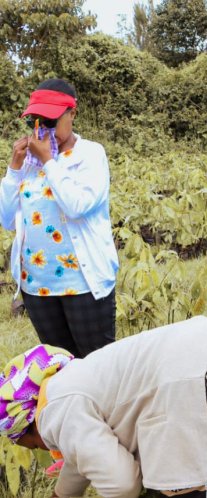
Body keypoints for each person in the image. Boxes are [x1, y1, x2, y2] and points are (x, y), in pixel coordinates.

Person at [0, 316, 207, 497]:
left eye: (34, 446)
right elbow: (83, 453)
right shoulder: (73, 380)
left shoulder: (54, 411)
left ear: (29, 424)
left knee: (181, 487)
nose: (46, 449)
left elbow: (122, 484)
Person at [0, 79, 118, 358]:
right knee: (61, 367)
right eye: (36, 120)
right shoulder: (28, 164)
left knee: (98, 366)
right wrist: (14, 170)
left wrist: (49, 163)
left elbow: (77, 205)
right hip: (37, 287)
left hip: (82, 284)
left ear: (72, 114)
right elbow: (5, 219)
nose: (43, 128)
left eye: (51, 120)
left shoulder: (90, 154)